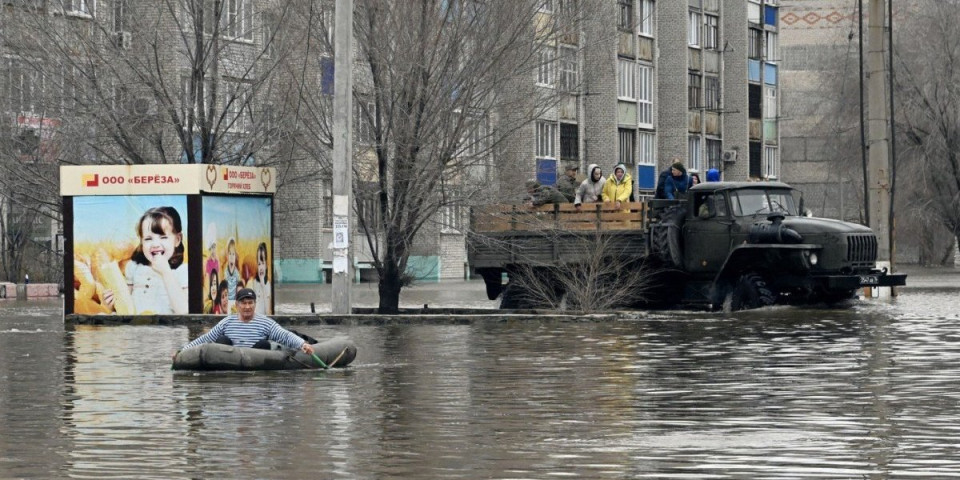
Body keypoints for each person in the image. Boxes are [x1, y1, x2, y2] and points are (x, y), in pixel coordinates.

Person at [175, 288, 315, 357]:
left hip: (256, 360)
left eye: (250, 303)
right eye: (243, 303)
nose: (247, 307)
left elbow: (284, 335)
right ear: (237, 305)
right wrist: (182, 352)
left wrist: (302, 344)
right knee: (221, 340)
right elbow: (206, 338)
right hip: (230, 361)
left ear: (255, 304)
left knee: (264, 344)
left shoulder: (265, 323)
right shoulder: (227, 322)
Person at [107, 206, 188, 314]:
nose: (155, 244)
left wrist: (166, 272)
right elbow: (125, 305)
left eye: (163, 237)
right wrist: (112, 304)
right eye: (148, 239)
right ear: (141, 241)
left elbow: (184, 311)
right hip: (135, 323)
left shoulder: (182, 271)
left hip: (164, 324)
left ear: (177, 239)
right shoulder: (134, 267)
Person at [249, 242, 272, 315]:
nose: (261, 267)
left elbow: (267, 312)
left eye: (263, 263)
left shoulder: (268, 285)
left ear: (266, 265)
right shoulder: (253, 283)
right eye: (259, 264)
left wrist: (263, 285)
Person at [224, 237, 240, 312]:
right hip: (227, 302)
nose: (231, 256)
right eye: (230, 254)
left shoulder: (237, 273)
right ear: (227, 255)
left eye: (233, 254)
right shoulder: (225, 272)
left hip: (234, 303)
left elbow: (238, 290)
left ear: (235, 256)